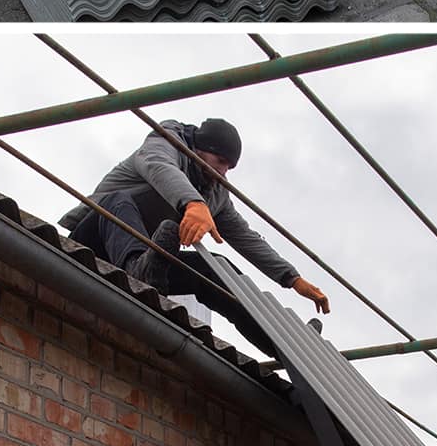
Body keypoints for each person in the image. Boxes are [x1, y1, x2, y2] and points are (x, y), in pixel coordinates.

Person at [62, 117, 330, 347]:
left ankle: (281, 342)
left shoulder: (215, 194)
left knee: (216, 268)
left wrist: (291, 277)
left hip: (152, 266)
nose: (222, 172)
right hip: (94, 241)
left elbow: (245, 237)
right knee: (115, 201)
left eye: (229, 167)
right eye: (220, 161)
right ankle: (136, 267)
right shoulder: (165, 143)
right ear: (199, 148)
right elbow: (158, 165)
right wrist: (192, 203)